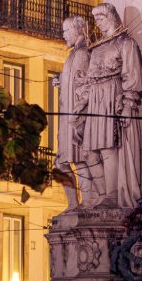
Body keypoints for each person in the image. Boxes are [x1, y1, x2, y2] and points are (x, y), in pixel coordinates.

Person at [77, 3, 142, 209]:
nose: (98, 22)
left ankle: (113, 194)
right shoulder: (97, 47)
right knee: (90, 151)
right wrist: (82, 102)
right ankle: (102, 193)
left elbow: (132, 74)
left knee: (107, 147)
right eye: (95, 19)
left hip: (110, 96)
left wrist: (127, 103)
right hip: (95, 98)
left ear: (112, 17)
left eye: (101, 17)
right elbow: (90, 77)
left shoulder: (126, 43)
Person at [55, 15, 91, 209]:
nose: (63, 35)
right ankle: (73, 204)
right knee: (61, 161)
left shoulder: (83, 54)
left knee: (79, 160)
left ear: (77, 31)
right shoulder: (73, 54)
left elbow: (85, 84)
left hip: (75, 117)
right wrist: (61, 83)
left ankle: (85, 203)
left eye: (66, 31)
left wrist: (79, 114)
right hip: (66, 115)